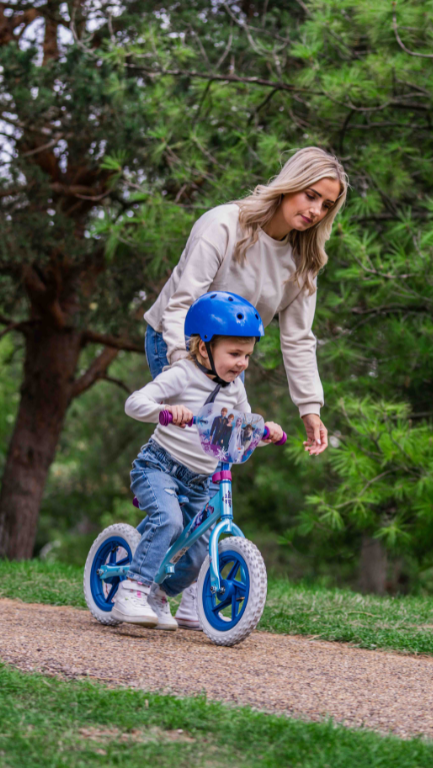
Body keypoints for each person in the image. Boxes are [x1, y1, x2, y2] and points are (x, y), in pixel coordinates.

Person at [142, 147, 348, 628]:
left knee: (226, 457)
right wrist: (188, 375)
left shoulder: (303, 258)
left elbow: (298, 337)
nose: (314, 211)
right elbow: (180, 304)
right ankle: (147, 577)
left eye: (326, 205)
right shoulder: (225, 224)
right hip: (176, 342)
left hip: (224, 358)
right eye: (310, 195)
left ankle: (196, 586)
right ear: (289, 184)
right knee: (189, 457)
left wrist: (310, 408)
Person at [115, 292, 284, 630]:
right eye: (234, 354)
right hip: (160, 466)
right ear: (203, 347)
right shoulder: (182, 374)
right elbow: (135, 403)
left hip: (201, 479)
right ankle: (131, 590)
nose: (242, 364)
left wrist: (263, 434)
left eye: (248, 356)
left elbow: (241, 431)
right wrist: (164, 412)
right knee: (169, 520)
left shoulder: (235, 388)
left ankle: (159, 593)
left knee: (198, 553)